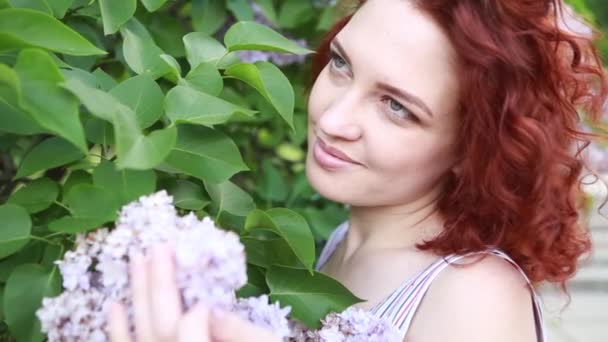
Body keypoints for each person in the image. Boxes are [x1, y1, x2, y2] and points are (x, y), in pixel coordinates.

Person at [108, 0, 608, 341]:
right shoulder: (340, 245)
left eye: (396, 106)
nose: (332, 118)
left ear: (471, 146)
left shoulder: (476, 296)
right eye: (343, 64)